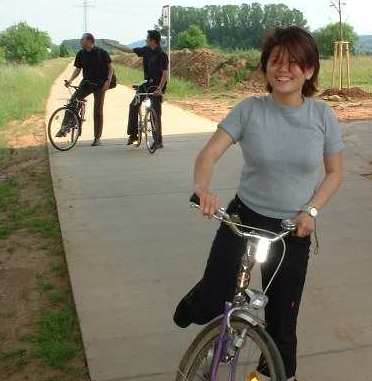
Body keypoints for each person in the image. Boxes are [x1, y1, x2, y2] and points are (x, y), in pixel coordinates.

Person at [173, 26, 344, 380]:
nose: (284, 69)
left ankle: (277, 375)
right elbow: (209, 153)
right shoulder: (249, 110)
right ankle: (195, 307)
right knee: (213, 297)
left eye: (294, 62)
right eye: (276, 61)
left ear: (309, 70)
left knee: (282, 319)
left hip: (292, 230)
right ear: (266, 67)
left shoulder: (322, 116)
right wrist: (202, 189)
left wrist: (310, 211)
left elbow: (335, 172)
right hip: (243, 217)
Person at [104, 30, 168, 149]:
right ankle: (133, 135)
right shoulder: (146, 50)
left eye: (147, 38)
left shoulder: (162, 54)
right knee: (133, 105)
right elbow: (129, 50)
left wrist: (159, 89)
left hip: (157, 85)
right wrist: (111, 45)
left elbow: (165, 74)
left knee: (155, 113)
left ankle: (158, 141)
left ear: (153, 40)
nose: (146, 40)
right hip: (148, 84)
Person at [56, 33, 113, 146]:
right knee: (72, 101)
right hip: (87, 83)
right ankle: (64, 128)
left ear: (90, 41)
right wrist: (70, 80)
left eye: (82, 40)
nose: (80, 42)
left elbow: (110, 66)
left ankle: (97, 138)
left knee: (98, 110)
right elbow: (78, 69)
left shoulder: (101, 52)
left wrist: (108, 81)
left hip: (100, 84)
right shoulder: (81, 54)